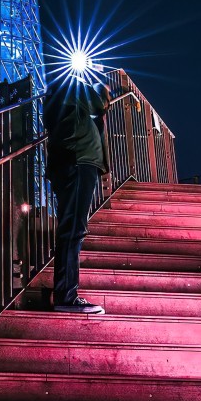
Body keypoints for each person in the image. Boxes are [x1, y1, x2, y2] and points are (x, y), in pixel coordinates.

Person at [45, 79, 112, 314]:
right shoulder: (72, 88)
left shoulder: (67, 108)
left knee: (72, 229)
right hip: (78, 163)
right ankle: (66, 296)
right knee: (73, 229)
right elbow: (98, 103)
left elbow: (95, 110)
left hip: (74, 163)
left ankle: (66, 293)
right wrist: (100, 90)